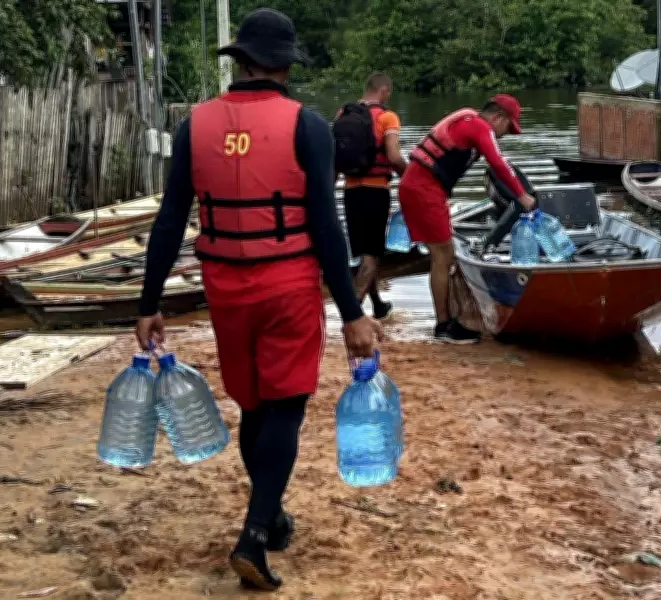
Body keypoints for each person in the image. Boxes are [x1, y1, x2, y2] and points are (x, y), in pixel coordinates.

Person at [135, 8, 383, 592]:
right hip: (288, 285)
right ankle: (252, 534)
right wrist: (353, 314)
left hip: (225, 287)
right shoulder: (309, 126)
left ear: (240, 62)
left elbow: (170, 220)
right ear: (286, 69)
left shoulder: (193, 125)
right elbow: (327, 226)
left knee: (252, 405)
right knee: (287, 407)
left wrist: (148, 303)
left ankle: (270, 518)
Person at [398, 95, 536, 343]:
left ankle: (446, 320)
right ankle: (443, 326)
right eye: (507, 127)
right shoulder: (479, 127)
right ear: (498, 118)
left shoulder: (468, 120)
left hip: (422, 187)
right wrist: (522, 196)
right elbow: (498, 162)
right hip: (423, 190)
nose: (504, 134)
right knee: (443, 255)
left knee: (443, 253)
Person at [333, 73, 407, 319]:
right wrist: (410, 175)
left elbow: (336, 156)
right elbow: (394, 156)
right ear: (384, 90)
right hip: (376, 191)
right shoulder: (387, 117)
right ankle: (351, 315)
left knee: (364, 253)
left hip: (350, 191)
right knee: (371, 256)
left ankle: (377, 304)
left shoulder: (343, 114)